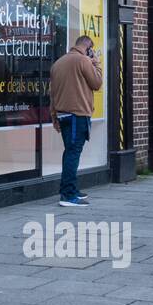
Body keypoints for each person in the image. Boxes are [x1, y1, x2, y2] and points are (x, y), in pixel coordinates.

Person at [49, 34, 103, 207]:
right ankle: (68, 195)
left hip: (63, 114)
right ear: (87, 48)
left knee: (70, 152)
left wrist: (53, 116)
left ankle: (69, 188)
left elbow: (52, 93)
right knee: (73, 153)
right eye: (91, 50)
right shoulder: (83, 61)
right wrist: (97, 64)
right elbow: (97, 83)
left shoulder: (58, 63)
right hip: (77, 115)